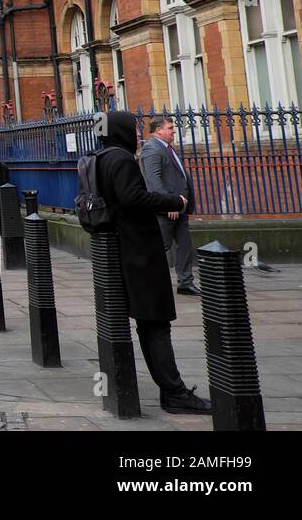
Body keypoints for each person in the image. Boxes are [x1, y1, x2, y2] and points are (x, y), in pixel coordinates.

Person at [95, 110, 210, 414]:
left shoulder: (103, 157)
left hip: (128, 249)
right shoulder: (120, 159)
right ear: (118, 131)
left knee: (150, 324)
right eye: (132, 130)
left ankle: (171, 390)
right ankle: (174, 392)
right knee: (156, 324)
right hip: (140, 252)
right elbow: (133, 198)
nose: (137, 135)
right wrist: (173, 201)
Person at [140, 117, 199, 296]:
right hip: (168, 209)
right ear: (158, 130)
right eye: (170, 128)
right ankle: (150, 282)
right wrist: (168, 204)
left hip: (179, 207)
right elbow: (153, 181)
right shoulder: (152, 148)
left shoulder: (166, 148)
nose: (174, 131)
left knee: (184, 246)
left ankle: (185, 282)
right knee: (161, 247)